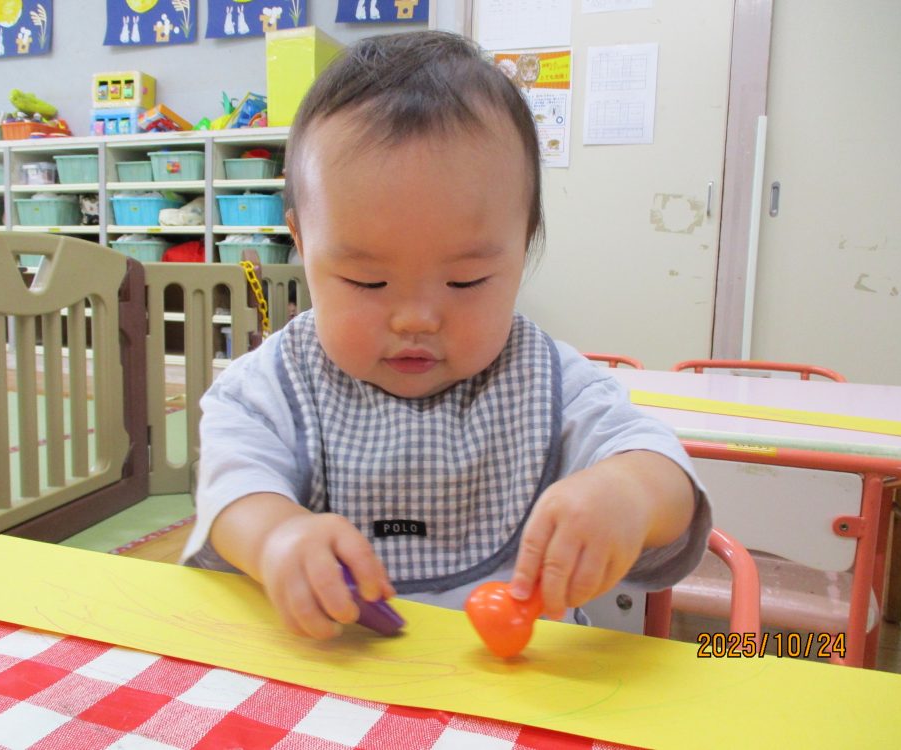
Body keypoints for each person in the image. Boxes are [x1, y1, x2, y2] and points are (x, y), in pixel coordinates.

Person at [182, 30, 711, 639]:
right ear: (302, 243)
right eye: (366, 281)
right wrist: (276, 536)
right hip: (333, 669)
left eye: (465, 281)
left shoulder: (547, 382)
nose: (416, 319)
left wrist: (628, 494)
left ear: (523, 245)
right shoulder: (272, 384)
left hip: (523, 675)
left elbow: (661, 470)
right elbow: (233, 484)